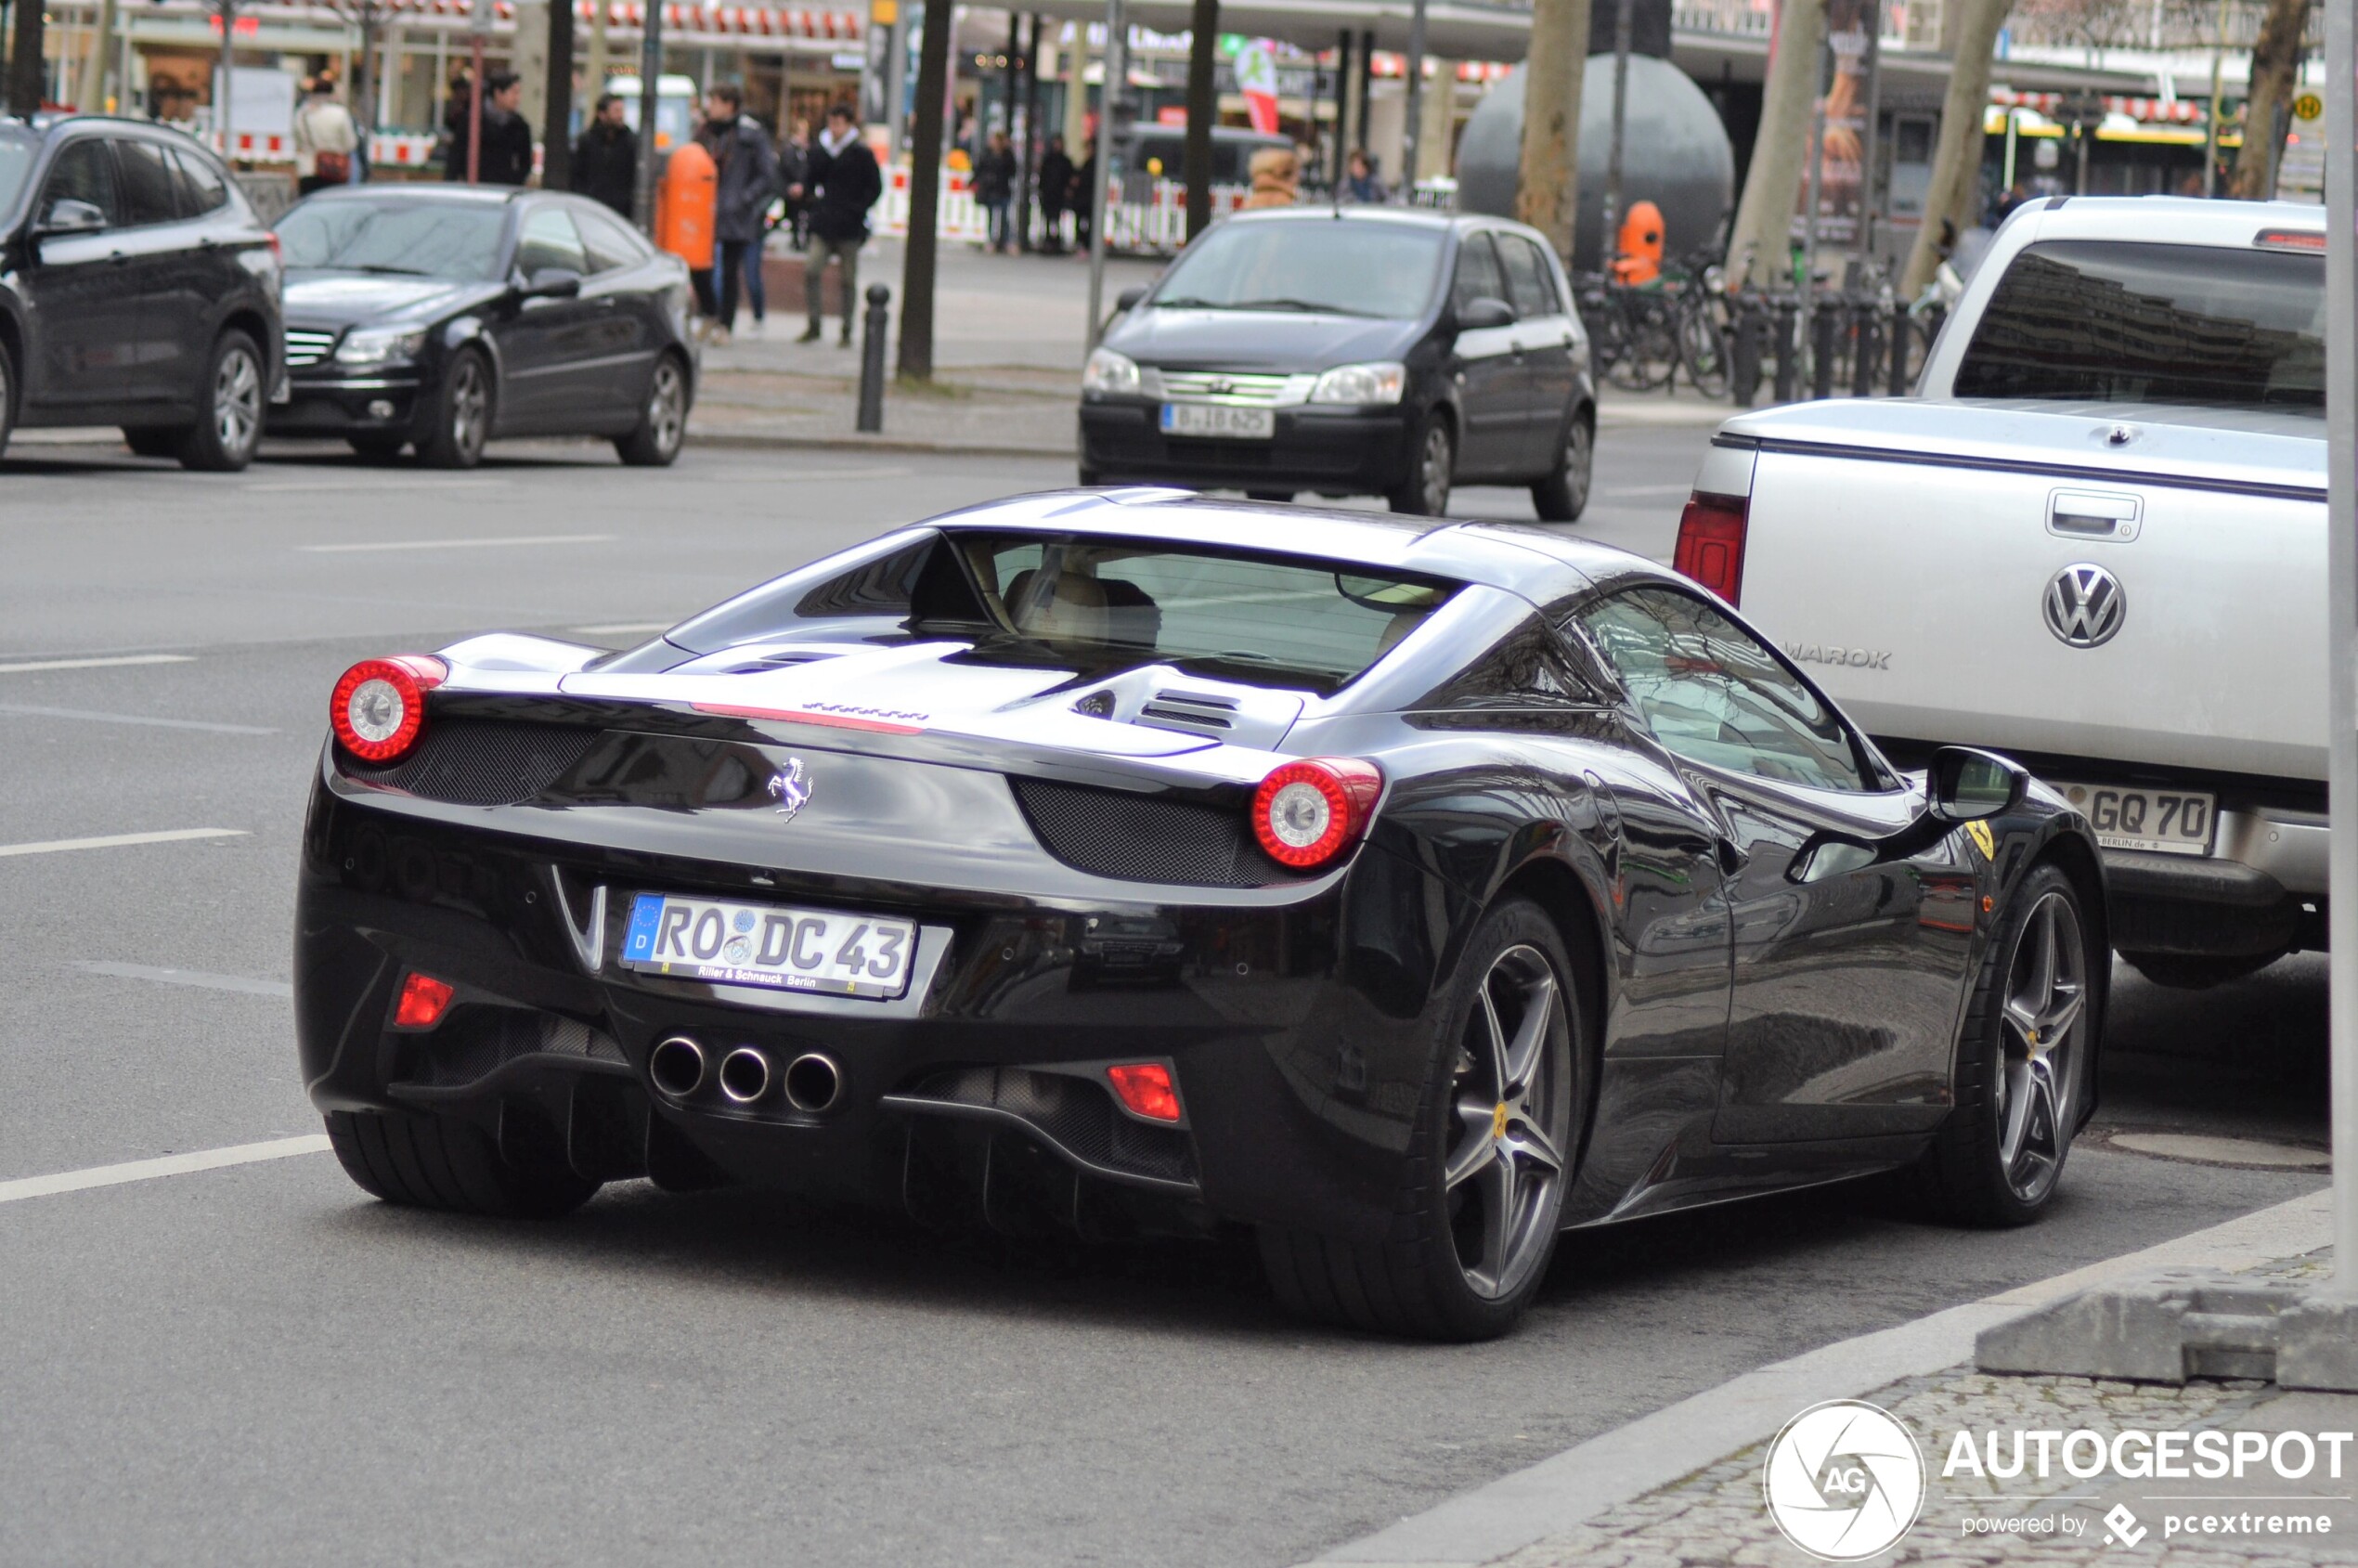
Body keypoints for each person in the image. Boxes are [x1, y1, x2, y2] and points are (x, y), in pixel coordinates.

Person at [695, 83, 781, 344]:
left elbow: (767, 175)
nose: (710, 106)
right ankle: (710, 311)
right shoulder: (704, 133)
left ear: (729, 105)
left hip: (735, 213)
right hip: (704, 210)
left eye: (715, 101)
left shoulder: (749, 135)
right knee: (698, 266)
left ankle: (725, 325)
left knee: (731, 271)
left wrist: (744, 199)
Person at [792, 103, 882, 345]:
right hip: (824, 222)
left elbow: (874, 187)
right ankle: (814, 324)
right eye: (831, 123)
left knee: (848, 279)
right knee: (812, 269)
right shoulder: (822, 150)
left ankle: (846, 329)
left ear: (849, 124)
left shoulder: (860, 153)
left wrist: (857, 208)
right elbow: (811, 179)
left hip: (849, 226)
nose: (834, 129)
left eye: (838, 124)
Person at [571, 92, 639, 216]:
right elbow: (577, 174)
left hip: (621, 211)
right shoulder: (587, 141)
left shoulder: (630, 142)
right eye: (616, 111)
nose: (620, 115)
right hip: (591, 208)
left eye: (621, 110)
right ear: (602, 114)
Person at [293, 79, 361, 195]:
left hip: (308, 169)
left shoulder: (302, 114)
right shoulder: (340, 113)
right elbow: (350, 144)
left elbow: (298, 140)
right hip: (334, 170)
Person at [473, 71, 535, 186]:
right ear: (498, 93)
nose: (517, 98)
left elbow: (525, 163)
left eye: (518, 93)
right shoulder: (473, 121)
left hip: (505, 189)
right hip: (476, 188)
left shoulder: (520, 126)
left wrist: (514, 182)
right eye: (513, 92)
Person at [973, 128, 1016, 253]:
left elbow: (1012, 171)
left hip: (1002, 189)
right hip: (991, 189)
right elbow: (979, 169)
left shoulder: (1007, 155)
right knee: (991, 216)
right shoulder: (987, 154)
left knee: (1004, 216)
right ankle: (991, 240)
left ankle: (1005, 241)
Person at [1036, 133, 1074, 253]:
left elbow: (1069, 177)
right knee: (1047, 217)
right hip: (1048, 193)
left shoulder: (1065, 161)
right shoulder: (1048, 160)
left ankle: (1056, 241)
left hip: (1059, 193)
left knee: (1057, 218)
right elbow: (1043, 177)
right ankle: (1048, 240)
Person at [1070, 138, 1095, 251]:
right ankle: (1082, 243)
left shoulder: (1093, 164)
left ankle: (1086, 244)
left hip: (1088, 198)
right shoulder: (1086, 163)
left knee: (1087, 222)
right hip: (1082, 198)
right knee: (1081, 222)